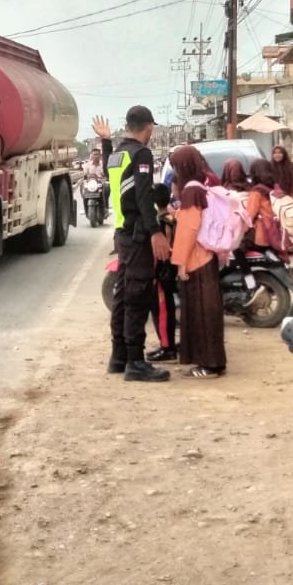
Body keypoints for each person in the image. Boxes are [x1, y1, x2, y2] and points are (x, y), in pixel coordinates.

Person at [104, 106, 171, 383]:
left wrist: (106, 141)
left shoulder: (116, 154)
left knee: (122, 296)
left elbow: (117, 185)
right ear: (149, 128)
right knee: (138, 296)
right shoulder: (141, 153)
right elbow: (144, 197)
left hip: (122, 233)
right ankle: (135, 362)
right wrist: (156, 232)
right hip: (137, 234)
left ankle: (119, 357)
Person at [168, 145, 228, 378]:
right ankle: (209, 362)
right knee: (205, 313)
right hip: (205, 259)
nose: (175, 171)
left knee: (202, 314)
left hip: (197, 261)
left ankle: (210, 364)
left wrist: (181, 263)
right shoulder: (200, 186)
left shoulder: (191, 192)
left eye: (176, 166)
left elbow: (189, 228)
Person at [148, 182, 181, 363]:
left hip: (162, 272)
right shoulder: (172, 217)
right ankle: (167, 346)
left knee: (161, 311)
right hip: (171, 270)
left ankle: (167, 348)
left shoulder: (160, 223)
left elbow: (159, 253)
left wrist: (153, 274)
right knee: (166, 309)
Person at [246, 159, 281, 250]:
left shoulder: (257, 191)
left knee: (238, 247)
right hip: (278, 231)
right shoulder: (277, 187)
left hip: (263, 234)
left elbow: (249, 215)